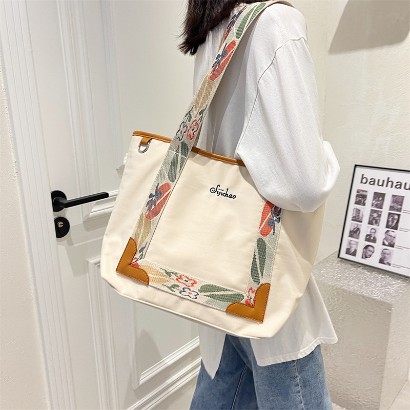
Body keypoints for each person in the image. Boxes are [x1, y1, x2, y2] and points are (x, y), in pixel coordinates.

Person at [179, 2, 340, 408]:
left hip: (219, 270)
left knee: (224, 389)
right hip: (265, 281)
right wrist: (326, 156)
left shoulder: (212, 32)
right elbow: (304, 182)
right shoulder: (275, 23)